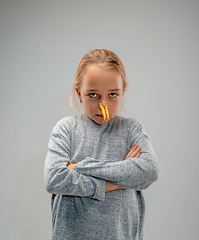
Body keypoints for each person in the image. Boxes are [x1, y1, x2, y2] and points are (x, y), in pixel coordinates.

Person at [44, 49, 159, 240]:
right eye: (93, 95)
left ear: (123, 92)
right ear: (79, 93)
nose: (103, 104)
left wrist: (78, 167)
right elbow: (54, 178)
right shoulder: (66, 129)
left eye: (112, 95)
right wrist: (118, 181)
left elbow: (149, 171)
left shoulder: (131, 129)